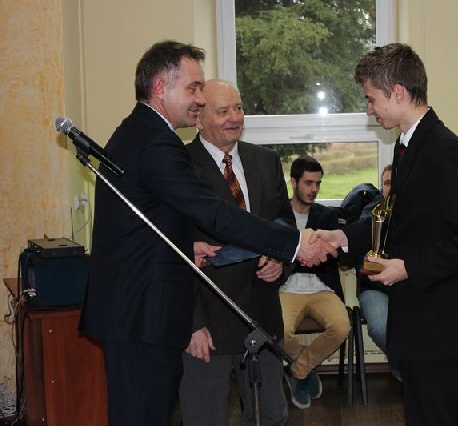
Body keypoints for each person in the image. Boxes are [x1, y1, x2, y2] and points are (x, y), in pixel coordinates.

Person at [80, 41, 333, 426]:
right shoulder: (156, 142)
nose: (199, 98)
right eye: (193, 88)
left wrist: (186, 246)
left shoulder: (141, 132)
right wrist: (295, 243)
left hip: (140, 310)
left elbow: (146, 224)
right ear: (161, 88)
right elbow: (215, 214)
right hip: (141, 314)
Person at [315, 43, 458, 425]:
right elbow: (396, 218)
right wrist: (344, 238)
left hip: (441, 326)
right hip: (419, 321)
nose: (369, 109)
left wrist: (409, 267)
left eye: (371, 98)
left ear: (398, 92)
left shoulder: (443, 149)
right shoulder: (407, 144)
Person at [178, 80, 292, 425]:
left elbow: (284, 225)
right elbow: (171, 246)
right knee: (204, 419)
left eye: (239, 108)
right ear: (198, 119)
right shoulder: (179, 166)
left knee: (272, 415)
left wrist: (279, 261)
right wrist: (191, 323)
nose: (235, 118)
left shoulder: (266, 161)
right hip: (206, 325)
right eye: (223, 111)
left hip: (261, 317)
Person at [281, 156, 351, 410]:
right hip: (286, 288)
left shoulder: (327, 216)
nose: (314, 189)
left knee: (342, 326)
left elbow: (337, 256)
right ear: (294, 182)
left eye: (318, 183)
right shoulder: (277, 215)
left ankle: (297, 371)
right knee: (279, 330)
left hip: (322, 287)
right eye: (308, 183)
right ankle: (305, 370)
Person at [356, 165, 400, 379]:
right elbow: (359, 258)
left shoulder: (421, 213)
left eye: (396, 182)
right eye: (387, 183)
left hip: (410, 286)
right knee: (381, 327)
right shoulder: (371, 214)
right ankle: (401, 365)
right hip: (375, 287)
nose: (391, 187)